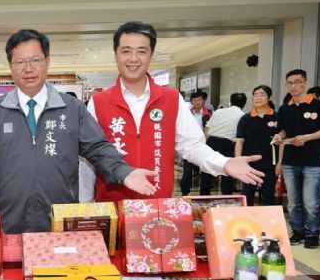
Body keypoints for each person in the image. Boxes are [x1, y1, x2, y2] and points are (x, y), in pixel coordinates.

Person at [0, 28, 179, 234]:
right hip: (10, 220)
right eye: (20, 62)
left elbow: (98, 148)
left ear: (47, 61)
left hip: (60, 219)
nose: (28, 69)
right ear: (11, 66)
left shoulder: (71, 108)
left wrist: (123, 171)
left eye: (35, 60)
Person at [79, 21, 262, 204]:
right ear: (116, 54)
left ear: (151, 55)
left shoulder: (171, 99)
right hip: (112, 206)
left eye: (141, 51)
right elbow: (89, 158)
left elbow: (192, 146)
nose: (133, 59)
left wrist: (224, 163)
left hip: (158, 205)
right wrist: (85, 205)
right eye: (126, 51)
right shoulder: (99, 101)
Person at [273, 69, 320, 249]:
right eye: (290, 83)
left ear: (305, 83)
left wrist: (307, 137)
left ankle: (312, 233)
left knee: (311, 202)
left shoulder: (318, 105)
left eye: (298, 82)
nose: (294, 86)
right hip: (290, 161)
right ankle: (297, 231)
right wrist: (279, 136)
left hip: (312, 161)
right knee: (293, 202)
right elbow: (284, 130)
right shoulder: (285, 108)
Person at [235, 85, 280, 206]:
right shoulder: (245, 119)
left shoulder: (277, 117)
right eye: (255, 95)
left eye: (262, 95)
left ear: (270, 98)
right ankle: (247, 218)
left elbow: (282, 142)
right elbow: (239, 141)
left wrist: (280, 163)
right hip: (249, 165)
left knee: (268, 196)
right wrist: (238, 161)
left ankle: (267, 218)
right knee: (247, 195)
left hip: (270, 164)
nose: (258, 98)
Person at [199, 92, 246, 195]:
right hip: (227, 144)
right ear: (244, 104)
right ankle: (226, 196)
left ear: (230, 102)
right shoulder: (243, 116)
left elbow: (207, 128)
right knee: (227, 171)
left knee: (207, 171)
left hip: (211, 142)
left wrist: (206, 143)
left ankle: (203, 196)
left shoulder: (218, 111)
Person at [179, 91, 213, 196]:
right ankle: (185, 193)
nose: (197, 102)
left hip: (204, 146)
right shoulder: (186, 114)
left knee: (206, 170)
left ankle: (204, 194)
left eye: (199, 100)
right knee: (187, 171)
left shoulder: (209, 114)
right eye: (195, 100)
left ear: (203, 101)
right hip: (189, 145)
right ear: (191, 102)